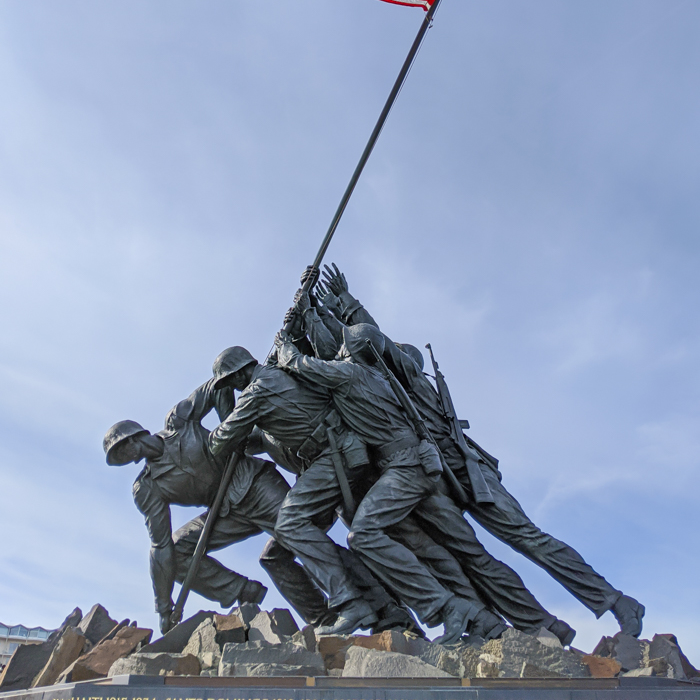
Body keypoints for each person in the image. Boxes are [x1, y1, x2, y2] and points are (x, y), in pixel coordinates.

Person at [316, 264, 646, 639]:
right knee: (474, 559)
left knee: (528, 539)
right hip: (439, 477)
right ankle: (538, 625)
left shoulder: (409, 379)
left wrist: (348, 306)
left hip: (468, 473)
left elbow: (375, 342)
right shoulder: (384, 387)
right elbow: (350, 354)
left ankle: (617, 602)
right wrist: (323, 312)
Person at [208, 342, 422, 636]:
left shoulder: (259, 389)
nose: (230, 386)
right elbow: (244, 440)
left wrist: (221, 400)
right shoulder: (270, 387)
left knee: (290, 523)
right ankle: (339, 615)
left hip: (336, 456)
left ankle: (354, 605)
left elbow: (219, 441)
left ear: (239, 374)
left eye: (229, 381)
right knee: (275, 554)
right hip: (322, 465)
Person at [103, 362, 330, 634]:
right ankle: (249, 593)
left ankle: (358, 598)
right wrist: (164, 607)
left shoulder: (178, 421)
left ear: (130, 439)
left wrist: (231, 430)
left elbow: (216, 387)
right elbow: (160, 546)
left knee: (300, 537)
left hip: (254, 484)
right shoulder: (147, 488)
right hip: (226, 512)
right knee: (177, 551)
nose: (122, 460)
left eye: (119, 453)